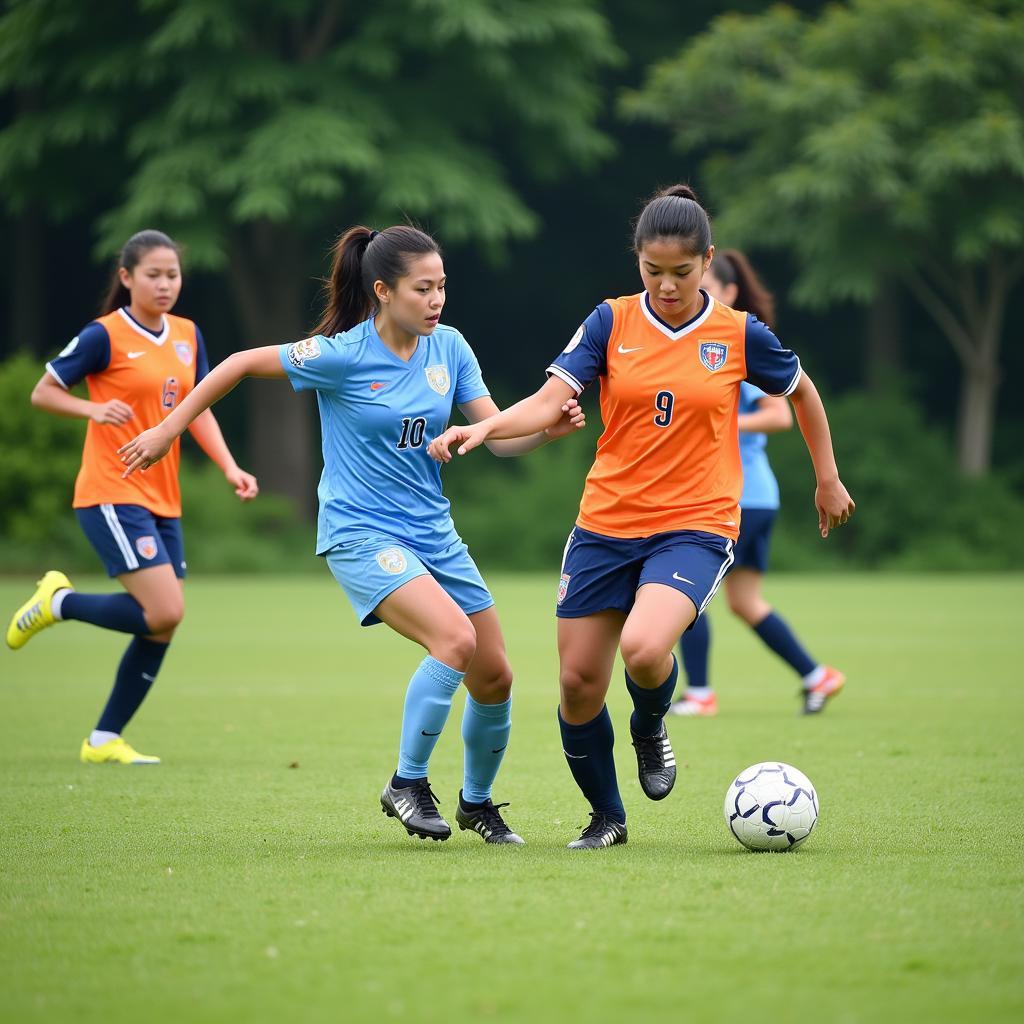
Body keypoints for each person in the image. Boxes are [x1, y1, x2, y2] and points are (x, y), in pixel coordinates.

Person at [118, 224, 586, 845]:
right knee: (453, 640)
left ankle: (477, 804)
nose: (437, 299)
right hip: (360, 532)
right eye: (424, 289)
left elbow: (497, 438)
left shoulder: (450, 349)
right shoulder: (338, 354)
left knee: (495, 674)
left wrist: (547, 432)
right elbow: (234, 364)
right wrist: (167, 430)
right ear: (383, 291)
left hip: (434, 534)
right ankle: (407, 783)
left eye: (443, 286)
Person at [428, 185, 855, 850]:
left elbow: (802, 392)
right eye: (652, 272)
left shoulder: (738, 334)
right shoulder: (609, 322)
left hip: (697, 523)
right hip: (605, 523)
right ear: (638, 263)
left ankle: (650, 724)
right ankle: (608, 818)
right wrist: (485, 432)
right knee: (576, 685)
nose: (666, 286)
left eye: (682, 273)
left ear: (706, 261)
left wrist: (826, 477)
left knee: (647, 649)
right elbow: (550, 399)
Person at [6, 229, 259, 765]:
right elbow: (43, 391)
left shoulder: (189, 333)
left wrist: (230, 466)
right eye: (154, 275)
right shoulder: (103, 336)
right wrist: (92, 410)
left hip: (162, 496)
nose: (166, 284)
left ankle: (103, 740)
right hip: (111, 490)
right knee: (165, 608)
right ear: (127, 278)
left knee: (164, 622)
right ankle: (59, 603)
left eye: (173, 275)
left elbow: (199, 407)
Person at [670, 250, 845, 718]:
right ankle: (817, 675)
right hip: (753, 497)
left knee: (681, 593)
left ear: (728, 293)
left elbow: (777, 414)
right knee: (745, 603)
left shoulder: (727, 345)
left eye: (703, 283)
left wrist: (717, 424)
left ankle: (701, 694)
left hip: (737, 498)